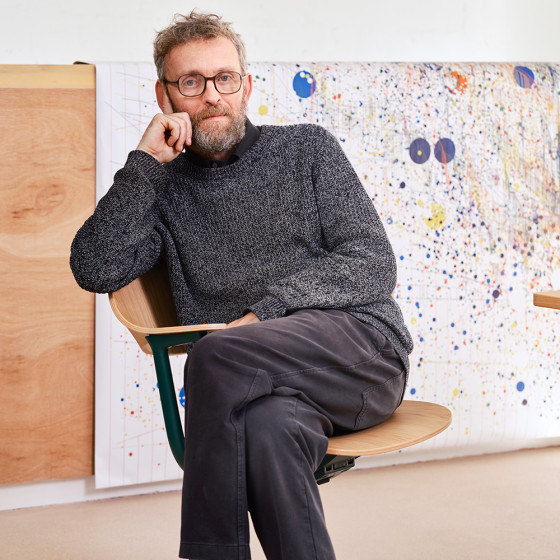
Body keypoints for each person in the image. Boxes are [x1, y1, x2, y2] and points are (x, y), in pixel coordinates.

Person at [70, 10, 413, 560]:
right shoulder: (160, 188)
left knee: (215, 352)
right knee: (267, 427)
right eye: (191, 82)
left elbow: (372, 262)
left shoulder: (307, 149)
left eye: (225, 78)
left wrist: (262, 316)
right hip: (261, 391)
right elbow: (94, 267)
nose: (212, 95)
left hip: (361, 360)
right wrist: (145, 163)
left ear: (246, 86)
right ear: (164, 96)